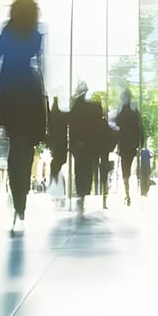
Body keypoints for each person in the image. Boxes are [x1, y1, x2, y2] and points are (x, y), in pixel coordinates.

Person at [0, 0, 47, 234]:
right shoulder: (36, 33)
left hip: (9, 89)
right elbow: (40, 65)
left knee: (13, 146)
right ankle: (23, 200)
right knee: (26, 147)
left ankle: (17, 195)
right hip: (29, 90)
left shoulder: (6, 30)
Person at [68, 81, 105, 216]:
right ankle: (84, 191)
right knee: (87, 168)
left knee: (80, 168)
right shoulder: (92, 108)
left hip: (78, 143)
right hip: (89, 144)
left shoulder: (75, 108)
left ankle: (81, 192)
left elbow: (71, 125)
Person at [116, 88, 142, 205]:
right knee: (128, 168)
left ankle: (127, 194)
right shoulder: (134, 112)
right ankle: (127, 194)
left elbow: (116, 127)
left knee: (124, 169)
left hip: (123, 145)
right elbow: (140, 128)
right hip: (132, 145)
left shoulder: (121, 113)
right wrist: (140, 142)